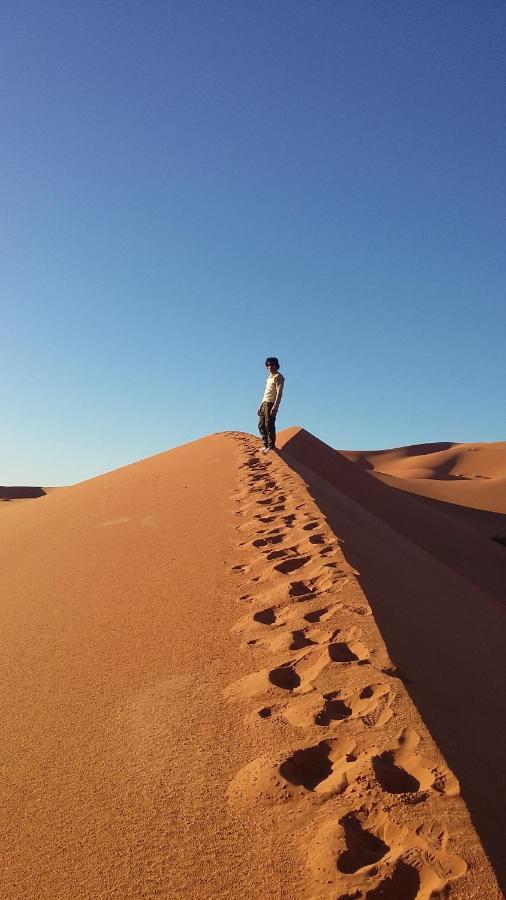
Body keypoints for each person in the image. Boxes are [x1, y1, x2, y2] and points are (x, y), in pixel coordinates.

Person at [257, 357, 285, 452]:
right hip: (265, 403)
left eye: (272, 364)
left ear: (276, 365)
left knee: (269, 425)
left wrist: (275, 407)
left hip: (271, 403)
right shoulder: (269, 378)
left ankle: (271, 446)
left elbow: (279, 393)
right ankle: (265, 444)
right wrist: (260, 405)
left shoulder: (279, 377)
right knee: (261, 425)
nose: (270, 366)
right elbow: (266, 393)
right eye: (268, 365)